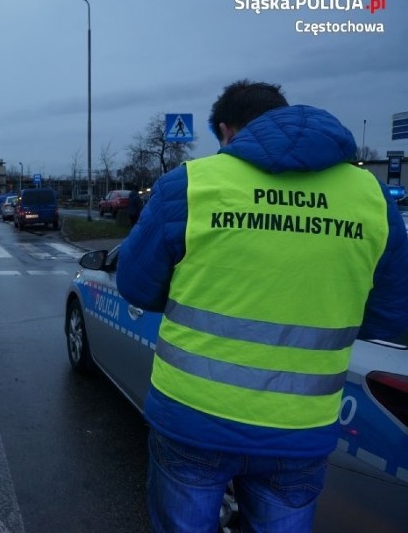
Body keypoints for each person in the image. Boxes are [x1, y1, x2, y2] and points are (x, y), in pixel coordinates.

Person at [116, 80, 408, 532]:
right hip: (300, 430)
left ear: (226, 130)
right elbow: (390, 315)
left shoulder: (190, 185)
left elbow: (135, 285)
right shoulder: (371, 198)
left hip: (194, 418)